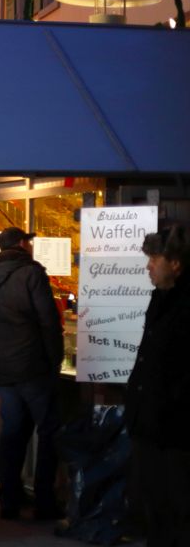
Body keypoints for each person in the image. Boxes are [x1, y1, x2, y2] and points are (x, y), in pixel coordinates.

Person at [0, 227, 63, 521]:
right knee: (49, 431)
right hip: (35, 369)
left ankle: (9, 499)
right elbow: (48, 322)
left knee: (12, 432)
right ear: (21, 244)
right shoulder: (32, 275)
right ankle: (44, 501)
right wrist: (54, 361)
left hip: (6, 371)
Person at [126, 225, 190, 545]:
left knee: (177, 508)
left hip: (175, 429)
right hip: (149, 423)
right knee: (154, 506)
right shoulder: (159, 299)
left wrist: (170, 403)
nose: (148, 265)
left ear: (176, 263)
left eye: (155, 257)